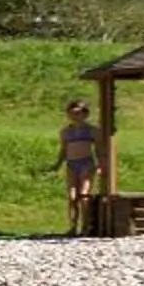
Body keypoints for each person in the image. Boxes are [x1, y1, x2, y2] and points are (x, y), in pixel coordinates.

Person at [50, 98, 99, 234]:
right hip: (72, 163)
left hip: (87, 163)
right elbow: (63, 150)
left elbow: (99, 149)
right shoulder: (66, 132)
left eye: (78, 113)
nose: (74, 116)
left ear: (85, 114)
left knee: (84, 195)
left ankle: (86, 226)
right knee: (72, 197)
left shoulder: (92, 130)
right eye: (71, 113)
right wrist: (58, 164)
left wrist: (100, 164)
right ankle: (73, 226)